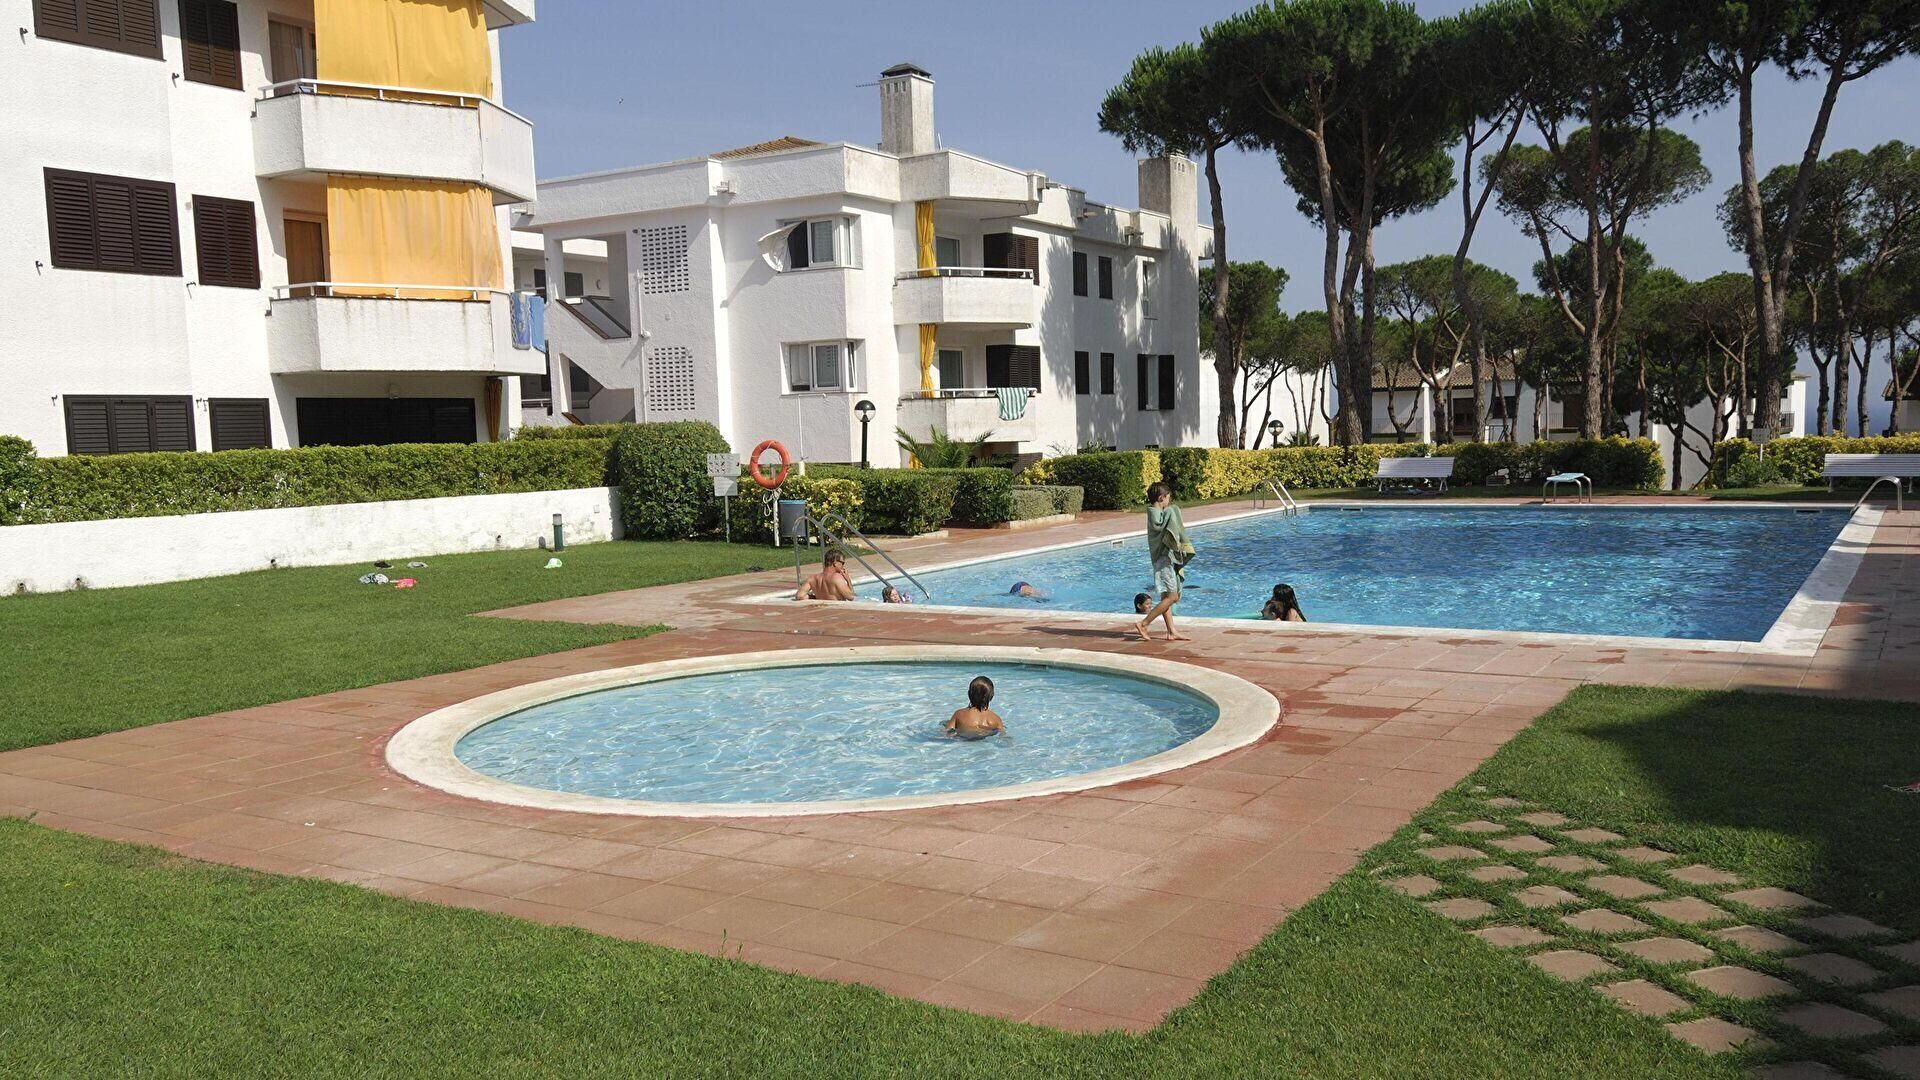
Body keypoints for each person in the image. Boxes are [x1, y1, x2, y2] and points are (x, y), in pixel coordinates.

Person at [1136, 482, 1193, 642]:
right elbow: (1163, 526)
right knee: (1172, 597)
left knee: (1166, 596)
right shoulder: (1159, 515)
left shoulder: (1158, 514)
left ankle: (1171, 631)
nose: (1169, 502)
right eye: (1168, 498)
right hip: (1163, 561)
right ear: (1162, 498)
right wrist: (1172, 512)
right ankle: (1144, 623)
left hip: (1163, 560)